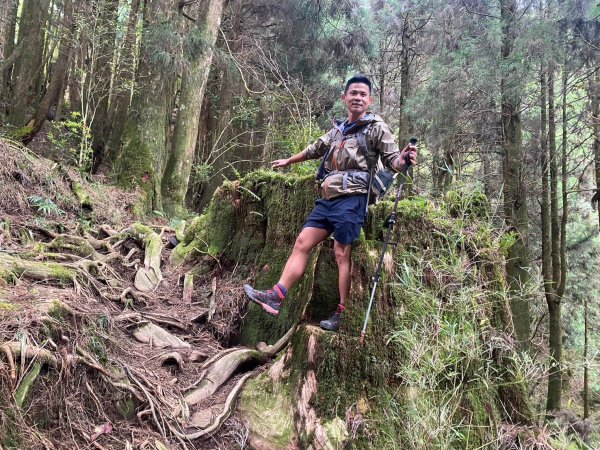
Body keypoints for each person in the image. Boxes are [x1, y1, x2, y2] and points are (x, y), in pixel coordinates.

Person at [243, 74, 417, 332]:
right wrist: (289, 161)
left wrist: (404, 159)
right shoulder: (338, 130)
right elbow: (315, 148)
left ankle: (342, 312)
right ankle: (276, 297)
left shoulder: (377, 127)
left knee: (340, 252)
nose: (357, 97)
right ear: (344, 97)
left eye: (362, 94)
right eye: (353, 93)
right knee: (302, 242)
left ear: (370, 100)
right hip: (328, 197)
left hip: (354, 197)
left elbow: (393, 161)